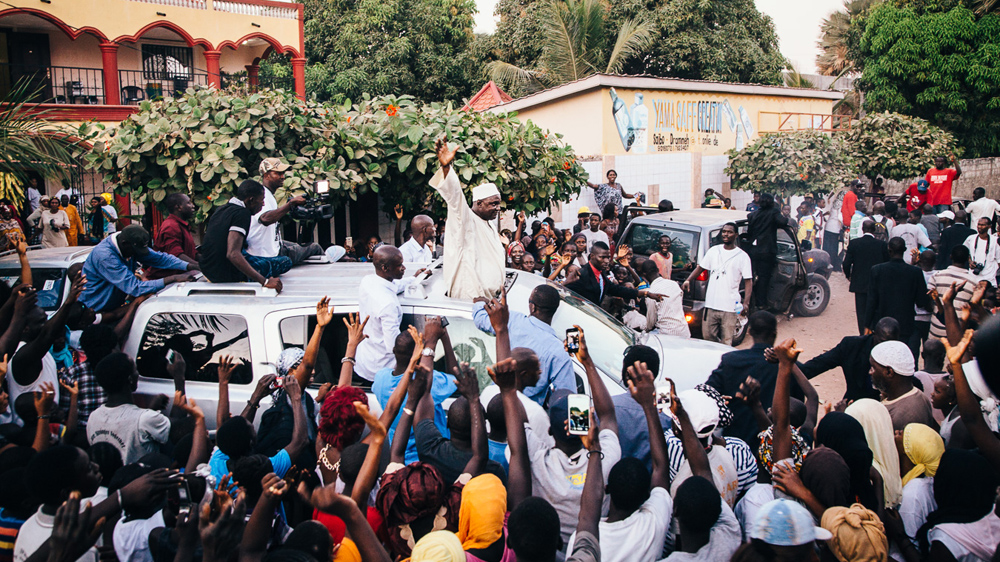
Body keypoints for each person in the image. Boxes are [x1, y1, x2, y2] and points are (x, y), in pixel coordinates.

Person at [706, 311, 800, 447]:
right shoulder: (787, 368)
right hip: (772, 447)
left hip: (735, 444)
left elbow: (708, 392)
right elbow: (799, 409)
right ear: (774, 334)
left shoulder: (731, 361)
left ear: (749, 331)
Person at [429, 138, 505, 300]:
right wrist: (446, 167)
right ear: (479, 203)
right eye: (493, 204)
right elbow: (455, 197)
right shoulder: (465, 220)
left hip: (492, 300)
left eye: (499, 204)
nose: (498, 208)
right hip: (472, 299)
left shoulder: (488, 224)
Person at [472, 285, 574, 405]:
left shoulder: (511, 320)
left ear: (532, 307)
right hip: (527, 417)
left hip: (493, 404)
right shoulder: (559, 351)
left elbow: (481, 320)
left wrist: (479, 303)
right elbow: (569, 398)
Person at [80, 225, 198, 313]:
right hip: (93, 311)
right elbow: (135, 287)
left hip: (111, 307)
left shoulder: (130, 243)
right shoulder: (105, 257)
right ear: (124, 243)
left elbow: (160, 259)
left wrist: (190, 266)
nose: (139, 254)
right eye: (137, 251)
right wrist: (172, 278)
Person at [198, 180, 286, 291]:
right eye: (262, 200)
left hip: (208, 270)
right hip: (225, 275)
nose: (263, 204)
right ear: (251, 200)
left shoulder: (222, 209)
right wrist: (265, 281)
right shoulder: (242, 213)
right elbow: (232, 254)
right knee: (284, 261)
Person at [86, 352, 172, 464]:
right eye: (136, 370)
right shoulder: (145, 419)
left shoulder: (93, 417)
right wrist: (179, 379)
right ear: (130, 379)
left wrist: (150, 410)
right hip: (142, 479)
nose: (138, 373)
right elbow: (176, 432)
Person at [681, 223, 751, 345]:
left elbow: (748, 281)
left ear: (736, 235)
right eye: (724, 231)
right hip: (711, 305)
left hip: (729, 307)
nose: (725, 234)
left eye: (729, 232)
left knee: (726, 341)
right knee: (708, 337)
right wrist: (688, 280)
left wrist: (746, 303)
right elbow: (701, 267)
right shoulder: (714, 251)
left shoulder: (742, 257)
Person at [801, 317, 900, 402]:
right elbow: (818, 365)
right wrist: (790, 370)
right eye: (882, 342)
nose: (886, 347)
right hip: (853, 404)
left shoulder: (901, 357)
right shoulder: (852, 346)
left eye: (891, 343)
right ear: (874, 334)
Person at [247, 158, 323, 265]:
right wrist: (290, 204)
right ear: (266, 175)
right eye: (278, 173)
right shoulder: (263, 195)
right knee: (315, 247)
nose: (282, 176)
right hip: (268, 254)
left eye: (283, 173)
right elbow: (265, 218)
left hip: (273, 247)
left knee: (297, 246)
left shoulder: (267, 194)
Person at [865, 237, 930, 354]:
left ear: (889, 251)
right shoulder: (915, 272)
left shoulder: (877, 270)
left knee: (883, 355)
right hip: (905, 324)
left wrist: (867, 325)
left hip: (882, 324)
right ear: (904, 250)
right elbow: (921, 301)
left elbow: (871, 300)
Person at [565, 242, 663, 308]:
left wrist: (645, 293)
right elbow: (565, 295)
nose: (606, 261)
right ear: (592, 256)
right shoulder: (582, 274)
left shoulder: (601, 273)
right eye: (602, 257)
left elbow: (616, 290)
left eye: (608, 257)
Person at [868, 340, 936, 431]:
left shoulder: (901, 417)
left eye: (873, 367)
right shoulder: (920, 396)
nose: (870, 372)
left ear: (889, 372)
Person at [843, 220, 889, 335]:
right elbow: (886, 264)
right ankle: (875, 333)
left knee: (861, 312)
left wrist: (849, 276)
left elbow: (846, 263)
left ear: (862, 229)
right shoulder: (881, 245)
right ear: (874, 230)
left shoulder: (854, 243)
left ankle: (863, 335)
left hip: (860, 284)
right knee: (876, 310)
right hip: (877, 284)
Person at [928, 245, 979, 339]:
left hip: (936, 332)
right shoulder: (973, 282)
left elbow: (929, 300)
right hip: (957, 334)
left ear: (951, 256)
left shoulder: (937, 276)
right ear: (968, 259)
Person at [147, 193, 198, 280]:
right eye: (189, 203)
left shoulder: (181, 225)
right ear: (178, 207)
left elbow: (192, 253)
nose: (193, 206)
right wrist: (198, 266)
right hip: (165, 282)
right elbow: (176, 255)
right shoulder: (171, 226)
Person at [637, 260, 688, 337]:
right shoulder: (674, 284)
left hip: (666, 333)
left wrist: (642, 328)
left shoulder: (652, 293)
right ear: (658, 270)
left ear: (644, 274)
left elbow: (650, 324)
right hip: (684, 331)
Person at [963, 217, 1000, 286]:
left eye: (983, 225)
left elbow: (999, 261)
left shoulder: (995, 241)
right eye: (979, 224)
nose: (980, 227)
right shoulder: (971, 238)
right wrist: (970, 261)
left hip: (989, 278)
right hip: (973, 277)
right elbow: (964, 252)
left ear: (989, 226)